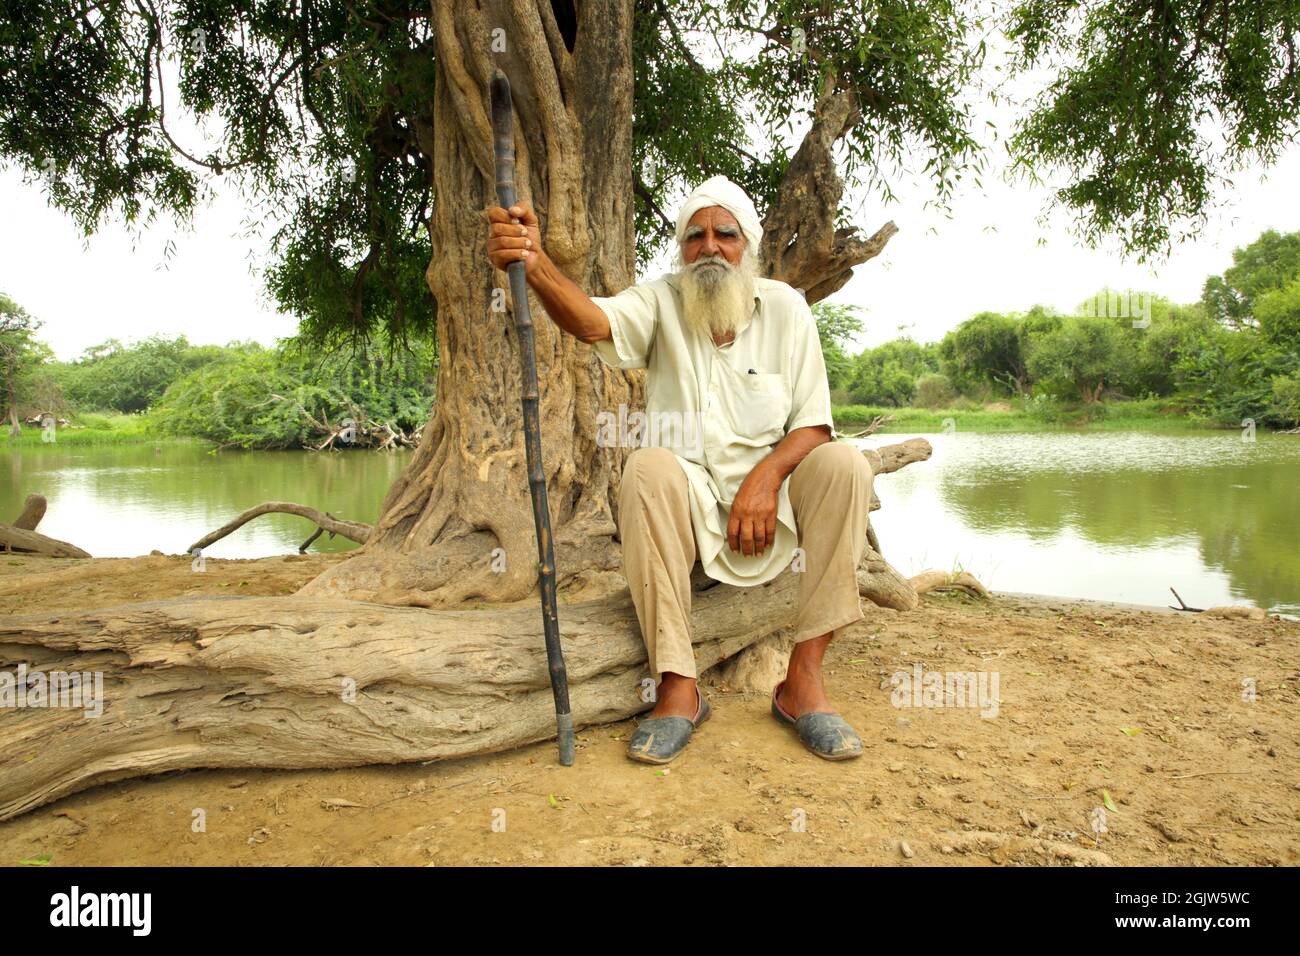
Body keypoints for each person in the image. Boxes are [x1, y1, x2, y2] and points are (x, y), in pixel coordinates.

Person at [486, 175, 874, 763]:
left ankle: (803, 684)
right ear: (681, 246)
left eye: (725, 234)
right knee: (646, 467)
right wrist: (533, 262)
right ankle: (677, 688)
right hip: (689, 505)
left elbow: (815, 426)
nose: (710, 247)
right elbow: (592, 323)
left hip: (777, 508)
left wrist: (763, 481)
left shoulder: (787, 309)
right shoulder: (661, 299)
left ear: (748, 246)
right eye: (695, 236)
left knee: (846, 463)